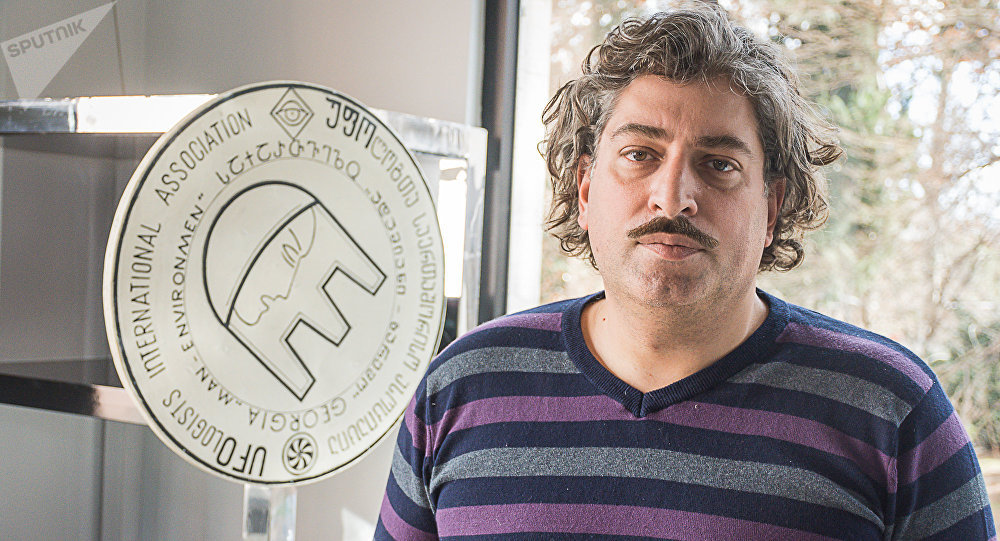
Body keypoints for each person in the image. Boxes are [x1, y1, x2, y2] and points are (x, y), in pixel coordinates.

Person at [375, 3, 996, 539]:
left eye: (719, 163)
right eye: (639, 154)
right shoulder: (461, 389)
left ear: (772, 206)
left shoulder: (892, 411)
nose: (672, 198)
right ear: (585, 189)